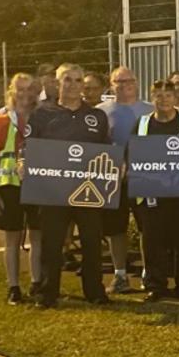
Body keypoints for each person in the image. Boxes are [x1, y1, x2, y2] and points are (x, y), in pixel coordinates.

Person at [29, 63, 112, 307]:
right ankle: (47, 293)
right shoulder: (41, 114)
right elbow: (29, 147)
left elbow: (105, 152)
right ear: (57, 83)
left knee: (91, 242)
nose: (73, 85)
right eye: (68, 80)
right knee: (52, 243)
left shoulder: (97, 116)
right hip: (53, 192)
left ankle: (95, 292)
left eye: (78, 81)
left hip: (88, 192)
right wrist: (24, 163)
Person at [132, 79, 179, 301]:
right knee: (153, 241)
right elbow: (132, 154)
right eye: (158, 95)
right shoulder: (143, 124)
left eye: (168, 95)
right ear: (151, 98)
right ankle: (156, 286)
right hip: (153, 194)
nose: (163, 99)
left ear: (175, 98)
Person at [0, 73, 43, 304]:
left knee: (38, 236)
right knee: (12, 238)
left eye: (30, 89)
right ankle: (13, 287)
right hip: (10, 186)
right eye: (20, 89)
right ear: (12, 91)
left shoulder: (42, 118)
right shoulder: (0, 121)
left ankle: (37, 282)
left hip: (39, 183)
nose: (25, 94)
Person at [95, 66, 152, 295]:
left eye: (128, 80)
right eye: (118, 81)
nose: (124, 85)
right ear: (111, 84)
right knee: (115, 228)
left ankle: (149, 275)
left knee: (146, 227)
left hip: (144, 178)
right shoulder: (100, 111)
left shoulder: (150, 109)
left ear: (136, 82)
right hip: (113, 180)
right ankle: (120, 275)